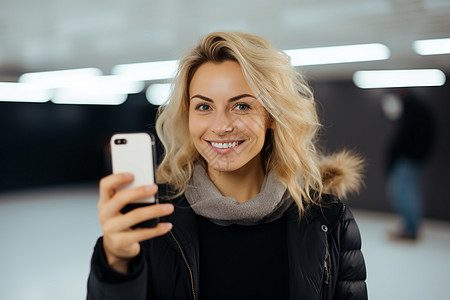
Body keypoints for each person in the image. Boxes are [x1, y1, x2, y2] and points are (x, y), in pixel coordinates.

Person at [87, 32, 367, 299]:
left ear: (271, 115)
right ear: (187, 116)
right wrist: (115, 264)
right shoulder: (153, 218)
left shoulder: (329, 220)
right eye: (204, 107)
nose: (221, 126)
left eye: (241, 106)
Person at [384, 89, 435, 240]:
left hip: (409, 159)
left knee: (404, 193)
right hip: (411, 159)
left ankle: (411, 230)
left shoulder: (415, 110)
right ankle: (409, 228)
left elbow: (410, 137)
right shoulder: (415, 108)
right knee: (405, 193)